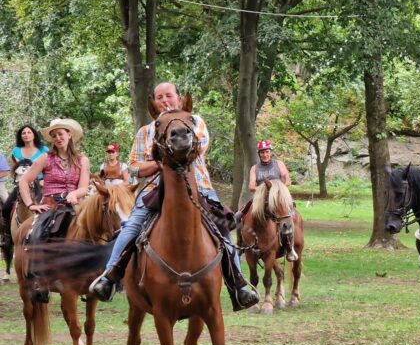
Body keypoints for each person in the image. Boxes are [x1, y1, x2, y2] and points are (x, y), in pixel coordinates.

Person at [90, 82, 258, 311]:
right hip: (153, 190)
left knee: (222, 230)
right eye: (159, 97)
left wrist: (168, 152)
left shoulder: (194, 121)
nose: (164, 101)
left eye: (169, 96)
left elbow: (197, 146)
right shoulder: (145, 132)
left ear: (178, 99)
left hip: (199, 188)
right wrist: (160, 163)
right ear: (154, 103)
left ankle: (238, 285)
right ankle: (109, 277)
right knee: (131, 227)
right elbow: (134, 167)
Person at [18, 118, 91, 302]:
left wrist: (75, 194)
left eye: (61, 134)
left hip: (75, 203)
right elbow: (24, 181)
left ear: (69, 135)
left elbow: (84, 186)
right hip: (51, 204)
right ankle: (39, 280)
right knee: (37, 232)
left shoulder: (82, 160)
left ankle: (102, 276)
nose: (58, 138)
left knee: (99, 228)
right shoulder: (45, 158)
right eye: (54, 135)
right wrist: (31, 205)